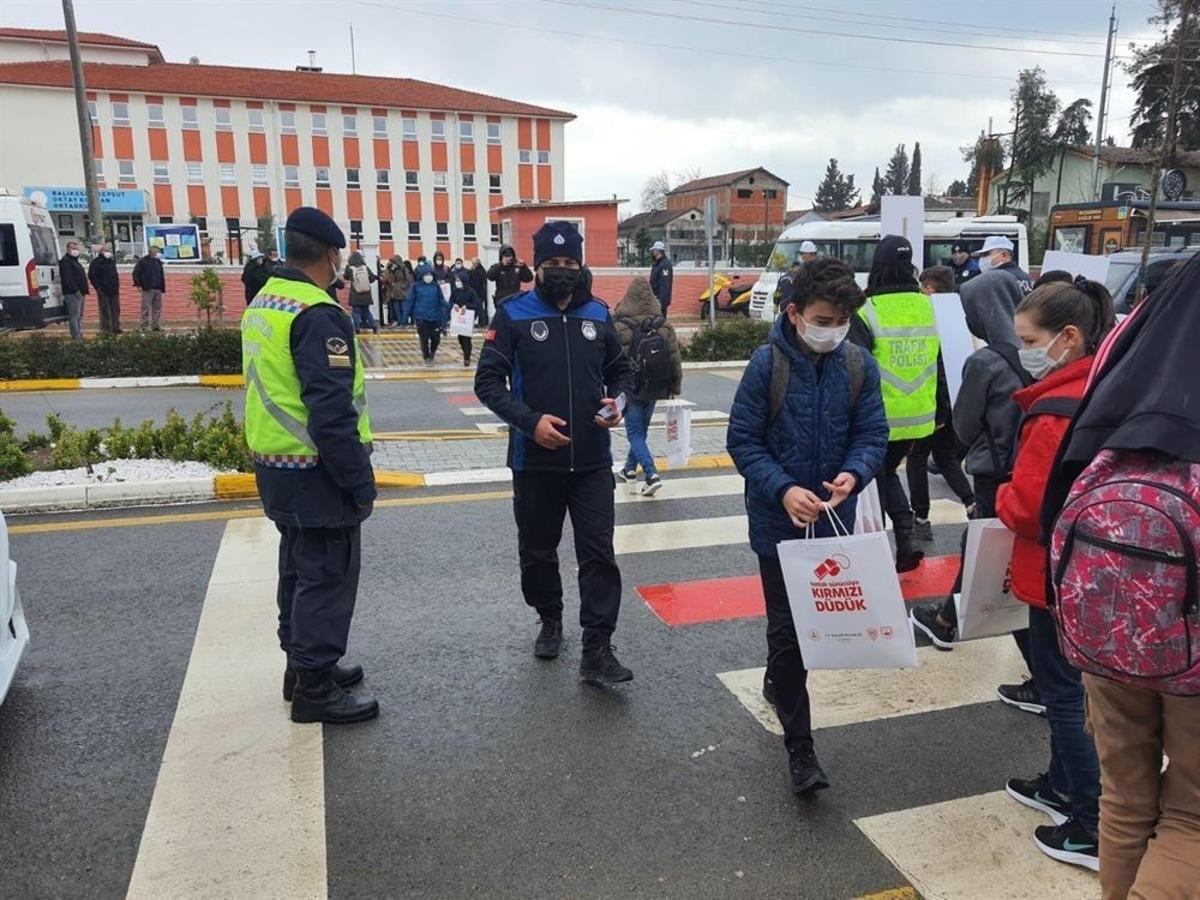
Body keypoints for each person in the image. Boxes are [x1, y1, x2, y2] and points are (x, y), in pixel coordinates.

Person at [1041, 258, 1200, 898]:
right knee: (1192, 812)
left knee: (1126, 797)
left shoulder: (1142, 333)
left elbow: (1069, 470)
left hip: (1106, 614)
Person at [727, 257, 889, 794]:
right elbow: (743, 441)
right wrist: (783, 487)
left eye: (841, 320)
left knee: (816, 630)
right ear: (794, 313)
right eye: (823, 318)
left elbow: (873, 435)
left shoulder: (859, 365)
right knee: (788, 632)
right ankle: (801, 749)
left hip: (834, 522)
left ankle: (779, 681)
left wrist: (854, 474)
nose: (832, 329)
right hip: (778, 525)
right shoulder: (765, 365)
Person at [474, 221, 634, 686]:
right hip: (534, 461)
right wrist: (530, 422)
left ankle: (597, 648)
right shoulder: (512, 314)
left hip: (592, 462)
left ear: (580, 265)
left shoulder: (599, 315)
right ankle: (550, 618)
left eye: (569, 264)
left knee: (598, 554)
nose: (561, 272)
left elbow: (622, 374)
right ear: (536, 266)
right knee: (538, 551)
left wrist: (618, 404)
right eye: (552, 265)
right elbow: (487, 382)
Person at [240, 206, 378, 725]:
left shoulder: (264, 303)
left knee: (298, 570)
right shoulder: (317, 313)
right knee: (326, 576)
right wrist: (359, 482)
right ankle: (316, 688)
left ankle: (301, 669)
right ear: (330, 253)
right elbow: (331, 412)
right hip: (317, 471)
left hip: (277, 466)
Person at [995, 278, 1114, 872]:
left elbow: (1031, 508)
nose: (1024, 351)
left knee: (1063, 695)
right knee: (1075, 688)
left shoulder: (1053, 409)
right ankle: (1061, 786)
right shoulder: (1106, 385)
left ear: (1068, 337)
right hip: (1090, 571)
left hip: (1050, 572)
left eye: (1030, 339)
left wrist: (1001, 497)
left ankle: (1093, 824)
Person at [909, 257, 1042, 711]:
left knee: (999, 561)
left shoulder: (985, 361)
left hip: (994, 472)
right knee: (990, 550)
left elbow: (964, 429)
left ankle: (1044, 679)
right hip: (1037, 472)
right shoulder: (1046, 354)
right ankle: (946, 618)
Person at [849, 235, 939, 572]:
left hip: (879, 418)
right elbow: (940, 363)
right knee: (885, 472)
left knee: (878, 474)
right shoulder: (928, 304)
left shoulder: (867, 310)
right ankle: (907, 538)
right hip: (920, 416)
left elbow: (854, 370)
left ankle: (901, 542)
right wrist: (941, 411)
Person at [907, 266, 975, 540]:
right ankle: (971, 502)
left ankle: (921, 518)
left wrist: (939, 411)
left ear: (930, 289)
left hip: (935, 405)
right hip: (957, 402)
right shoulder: (959, 314)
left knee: (916, 459)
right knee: (946, 457)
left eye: (923, 287)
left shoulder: (929, 317)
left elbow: (937, 368)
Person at [614, 277, 683, 495]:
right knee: (640, 431)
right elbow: (675, 359)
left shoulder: (620, 325)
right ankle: (629, 470)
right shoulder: (664, 325)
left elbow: (611, 360)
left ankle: (651, 473)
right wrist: (676, 386)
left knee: (634, 433)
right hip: (656, 386)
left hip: (631, 388)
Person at [411, 261, 448, 365]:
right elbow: (410, 301)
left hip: (435, 317)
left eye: (430, 274)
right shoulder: (416, 287)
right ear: (422, 275)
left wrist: (449, 307)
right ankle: (426, 356)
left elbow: (441, 300)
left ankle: (432, 352)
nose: (429, 277)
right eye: (426, 275)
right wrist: (406, 317)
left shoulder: (436, 286)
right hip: (421, 317)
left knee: (436, 338)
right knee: (424, 338)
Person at [448, 270, 483, 367]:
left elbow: (477, 304)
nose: (457, 282)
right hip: (458, 319)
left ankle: (467, 357)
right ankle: (465, 352)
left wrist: (466, 306)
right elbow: (450, 301)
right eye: (456, 280)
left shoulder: (471, 291)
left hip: (468, 319)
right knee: (460, 338)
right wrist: (454, 305)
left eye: (459, 280)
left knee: (467, 338)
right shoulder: (455, 291)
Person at [87, 241, 121, 335]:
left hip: (114, 289)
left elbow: (115, 275)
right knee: (105, 310)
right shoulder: (96, 262)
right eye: (106, 250)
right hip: (103, 289)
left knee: (116, 309)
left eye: (109, 250)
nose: (108, 252)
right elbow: (92, 276)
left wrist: (117, 286)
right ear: (101, 251)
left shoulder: (111, 261)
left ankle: (115, 327)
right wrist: (98, 287)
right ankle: (106, 329)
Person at [58, 240, 88, 340]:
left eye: (76, 248)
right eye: (72, 248)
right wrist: (76, 291)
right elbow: (68, 278)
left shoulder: (75, 261)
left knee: (79, 315)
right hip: (72, 293)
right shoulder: (65, 261)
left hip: (81, 292)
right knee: (74, 315)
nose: (75, 250)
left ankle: (79, 332)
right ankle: (75, 335)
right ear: (67, 249)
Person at [487, 244, 533, 309]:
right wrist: (500, 265)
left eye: (510, 256)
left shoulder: (517, 267)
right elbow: (490, 276)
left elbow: (529, 278)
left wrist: (524, 267)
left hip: (515, 298)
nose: (508, 259)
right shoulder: (498, 267)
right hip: (502, 299)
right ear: (502, 257)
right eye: (506, 256)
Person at [343, 251, 378, 334]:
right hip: (366, 293)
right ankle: (374, 327)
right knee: (366, 311)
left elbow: (346, 277)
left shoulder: (350, 268)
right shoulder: (365, 268)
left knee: (356, 312)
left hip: (355, 293)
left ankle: (357, 328)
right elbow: (372, 279)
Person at [132, 244, 166, 331]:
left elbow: (161, 275)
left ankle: (155, 325)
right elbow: (136, 273)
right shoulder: (143, 261)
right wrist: (138, 285)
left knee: (157, 308)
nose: (158, 253)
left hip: (157, 288)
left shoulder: (158, 262)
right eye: (156, 251)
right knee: (146, 308)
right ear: (152, 251)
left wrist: (162, 287)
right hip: (147, 288)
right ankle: (144, 325)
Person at [383, 255, 412, 327]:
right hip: (394, 291)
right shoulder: (391, 270)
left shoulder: (404, 269)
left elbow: (408, 279)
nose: (393, 263)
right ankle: (400, 321)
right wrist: (389, 270)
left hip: (403, 291)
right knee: (397, 308)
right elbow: (388, 280)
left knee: (404, 308)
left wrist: (404, 286)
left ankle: (404, 322)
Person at [648, 240, 673, 316]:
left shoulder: (665, 265)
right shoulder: (657, 264)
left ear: (658, 251)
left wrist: (662, 302)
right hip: (655, 298)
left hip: (659, 300)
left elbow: (665, 284)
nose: (652, 252)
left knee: (660, 321)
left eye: (654, 250)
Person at [468, 257, 489, 327]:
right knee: (479, 308)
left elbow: (475, 282)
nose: (472, 264)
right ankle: (481, 322)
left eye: (473, 263)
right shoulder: (480, 270)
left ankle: (481, 323)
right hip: (479, 292)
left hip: (478, 292)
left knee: (479, 308)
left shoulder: (478, 271)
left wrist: (471, 271)